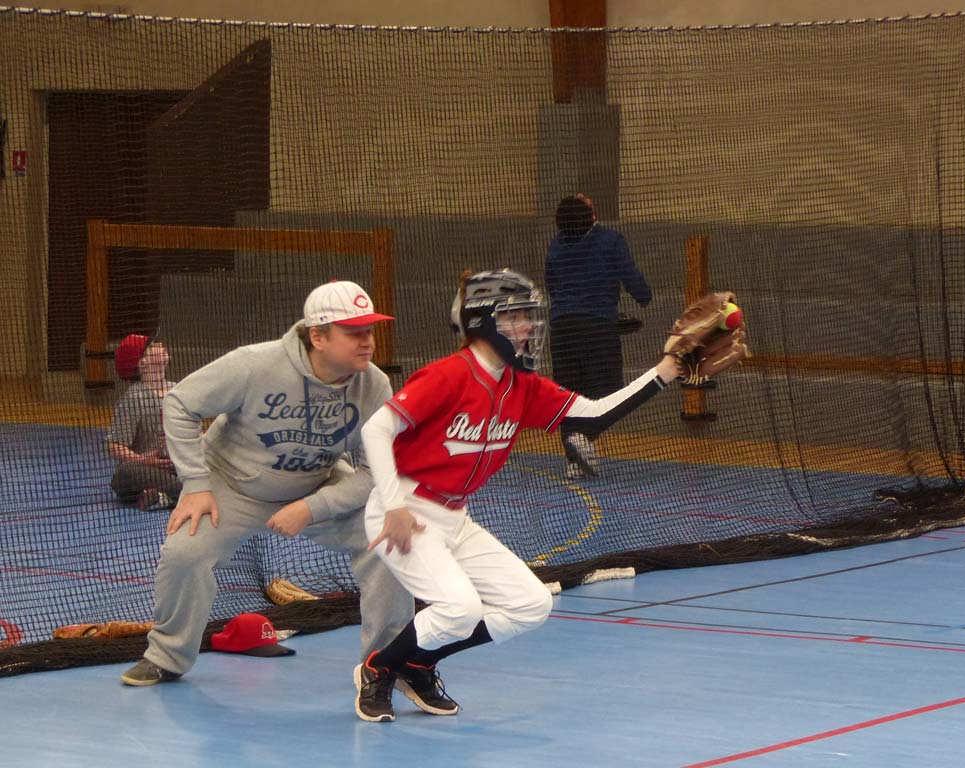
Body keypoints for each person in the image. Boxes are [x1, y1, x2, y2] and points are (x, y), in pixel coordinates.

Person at [352, 268, 682, 723]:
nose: (528, 326)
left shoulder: (521, 385)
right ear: (483, 321)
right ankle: (379, 668)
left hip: (453, 516)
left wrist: (666, 371)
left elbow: (593, 416)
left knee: (530, 605)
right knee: (459, 608)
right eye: (516, 317)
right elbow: (377, 428)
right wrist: (393, 506)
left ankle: (418, 664)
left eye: (529, 316)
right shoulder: (449, 374)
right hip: (405, 508)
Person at [120, 281, 423, 705]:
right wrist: (196, 484)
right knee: (185, 554)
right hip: (231, 485)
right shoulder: (254, 364)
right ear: (318, 337)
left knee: (389, 540)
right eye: (353, 332)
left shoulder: (373, 385)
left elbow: (376, 471)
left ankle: (387, 665)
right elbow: (181, 404)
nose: (367, 341)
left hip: (316, 484)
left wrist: (312, 507)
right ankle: (167, 656)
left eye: (369, 331)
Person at [545, 194, 652, 479]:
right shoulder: (610, 240)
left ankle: (574, 460)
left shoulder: (555, 245)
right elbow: (631, 277)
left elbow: (552, 285)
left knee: (569, 395)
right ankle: (584, 435)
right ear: (591, 216)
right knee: (610, 392)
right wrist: (643, 295)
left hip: (562, 330)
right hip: (598, 329)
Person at [107, 334, 182, 511]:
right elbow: (114, 446)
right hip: (148, 471)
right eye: (152, 346)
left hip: (180, 466)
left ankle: (164, 497)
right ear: (142, 363)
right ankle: (184, 493)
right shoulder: (135, 398)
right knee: (125, 473)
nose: (161, 344)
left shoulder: (180, 390)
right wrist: (146, 460)